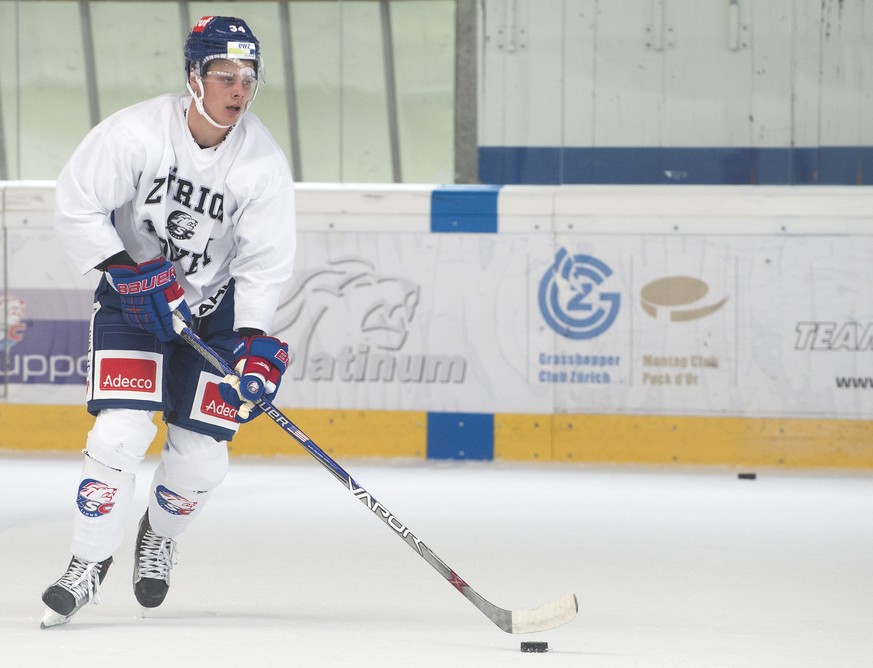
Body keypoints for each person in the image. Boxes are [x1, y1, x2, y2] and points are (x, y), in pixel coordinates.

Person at [40, 15, 296, 629]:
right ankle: (87, 561)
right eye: (224, 75)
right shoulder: (135, 134)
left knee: (203, 460)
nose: (238, 90)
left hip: (214, 313)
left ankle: (158, 532)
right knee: (118, 436)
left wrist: (255, 346)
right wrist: (125, 269)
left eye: (248, 79)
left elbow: (265, 264)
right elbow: (77, 203)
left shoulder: (261, 164)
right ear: (193, 77)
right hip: (133, 304)